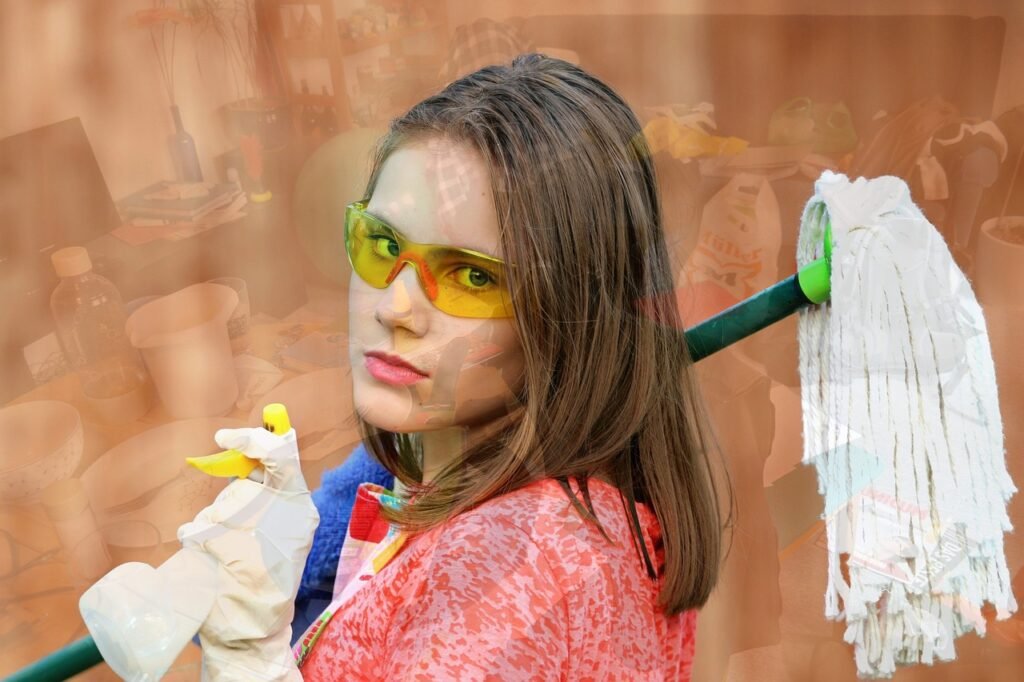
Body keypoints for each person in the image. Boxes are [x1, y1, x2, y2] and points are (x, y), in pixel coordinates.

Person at [193, 53, 734, 680]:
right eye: (386, 244)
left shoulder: (507, 583)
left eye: (472, 276)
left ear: (574, 317)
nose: (396, 306)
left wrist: (247, 658)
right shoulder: (492, 485)